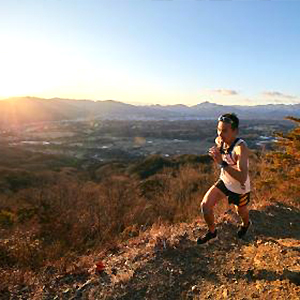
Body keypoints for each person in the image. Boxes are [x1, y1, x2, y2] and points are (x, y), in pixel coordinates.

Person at [197, 113, 252, 244]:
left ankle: (246, 224)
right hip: (225, 181)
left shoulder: (240, 148)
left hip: (240, 187)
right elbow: (220, 153)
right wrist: (215, 154)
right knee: (205, 205)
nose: (220, 134)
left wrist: (221, 163)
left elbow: (242, 177)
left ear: (235, 131)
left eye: (225, 131)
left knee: (241, 211)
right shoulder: (219, 141)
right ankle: (212, 232)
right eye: (219, 129)